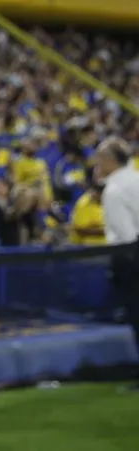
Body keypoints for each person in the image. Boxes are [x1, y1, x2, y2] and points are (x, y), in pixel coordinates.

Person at [95, 137, 139, 391]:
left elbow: (125, 235)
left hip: (131, 258)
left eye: (100, 158)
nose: (97, 163)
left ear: (111, 160)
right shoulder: (136, 179)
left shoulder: (113, 190)